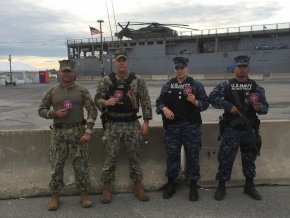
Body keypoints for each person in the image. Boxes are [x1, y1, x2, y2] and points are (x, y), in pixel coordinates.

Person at [94, 49, 152, 203]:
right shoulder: (106, 81)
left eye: (123, 60)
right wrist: (106, 102)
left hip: (131, 123)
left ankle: (137, 184)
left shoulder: (137, 80)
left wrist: (146, 122)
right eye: (118, 60)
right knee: (111, 157)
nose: (121, 63)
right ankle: (106, 186)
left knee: (134, 156)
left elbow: (145, 101)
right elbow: (97, 99)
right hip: (112, 124)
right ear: (115, 61)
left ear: (127, 62)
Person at [38, 60, 98, 210]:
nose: (66, 74)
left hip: (78, 132)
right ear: (59, 73)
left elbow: (92, 111)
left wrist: (88, 131)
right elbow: (41, 109)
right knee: (56, 165)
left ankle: (84, 194)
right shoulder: (52, 91)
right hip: (59, 133)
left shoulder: (82, 90)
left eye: (69, 71)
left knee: (81, 165)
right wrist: (53, 113)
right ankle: (54, 196)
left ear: (74, 73)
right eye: (64, 71)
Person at [209, 55, 269, 201]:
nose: (242, 69)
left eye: (244, 67)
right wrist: (229, 106)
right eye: (239, 66)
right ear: (235, 68)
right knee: (225, 158)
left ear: (248, 68)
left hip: (250, 129)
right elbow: (212, 98)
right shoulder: (226, 85)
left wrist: (259, 107)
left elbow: (265, 107)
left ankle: (249, 186)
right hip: (231, 129)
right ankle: (221, 186)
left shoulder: (256, 87)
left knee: (249, 158)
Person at [156, 57, 209, 201]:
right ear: (175, 69)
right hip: (173, 127)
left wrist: (196, 101)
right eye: (177, 68)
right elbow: (159, 102)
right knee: (172, 156)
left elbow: (205, 103)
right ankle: (171, 184)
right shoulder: (168, 85)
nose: (179, 71)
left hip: (191, 126)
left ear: (187, 69)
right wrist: (164, 109)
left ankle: (193, 185)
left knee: (192, 156)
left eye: (182, 68)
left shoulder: (196, 85)